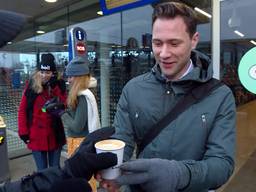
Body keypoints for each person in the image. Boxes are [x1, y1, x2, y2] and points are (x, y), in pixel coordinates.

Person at [99, 2, 236, 192]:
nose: (164, 54)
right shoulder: (133, 89)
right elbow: (123, 141)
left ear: (194, 40)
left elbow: (222, 165)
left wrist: (180, 175)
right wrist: (107, 168)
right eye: (157, 43)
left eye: (174, 43)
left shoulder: (220, 96)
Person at [0, 127, 117, 192]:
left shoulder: (57, 88)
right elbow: (74, 123)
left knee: (49, 169)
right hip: (38, 141)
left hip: (55, 141)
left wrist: (67, 173)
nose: (68, 81)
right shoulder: (31, 91)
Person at [51, 56, 100, 191]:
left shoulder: (83, 96)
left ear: (79, 77)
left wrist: (62, 114)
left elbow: (77, 126)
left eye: (71, 76)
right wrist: (62, 108)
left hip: (80, 142)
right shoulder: (81, 94)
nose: (68, 80)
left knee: (82, 179)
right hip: (79, 141)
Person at [18, 53, 67, 171]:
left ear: (53, 73)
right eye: (42, 72)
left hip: (55, 134)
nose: (44, 75)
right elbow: (22, 110)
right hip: (36, 136)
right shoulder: (31, 88)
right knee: (42, 172)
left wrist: (56, 87)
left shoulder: (58, 86)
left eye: (48, 72)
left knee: (55, 170)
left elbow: (64, 105)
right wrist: (23, 132)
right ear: (38, 72)